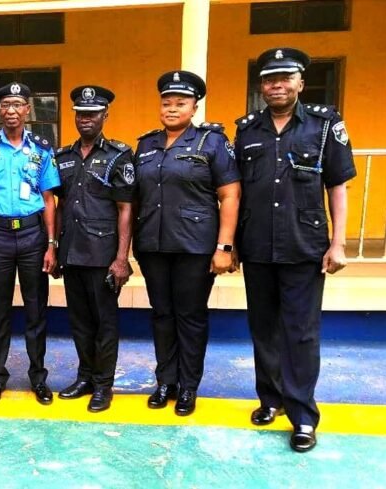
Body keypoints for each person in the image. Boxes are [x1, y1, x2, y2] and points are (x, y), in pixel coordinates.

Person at [235, 48, 355, 452]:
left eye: (285, 77)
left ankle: (303, 415)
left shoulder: (324, 126)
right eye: (270, 79)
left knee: (300, 334)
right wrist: (230, 243)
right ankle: (270, 399)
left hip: (304, 246)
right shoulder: (247, 130)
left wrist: (339, 242)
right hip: (257, 246)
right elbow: (235, 192)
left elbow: (338, 185)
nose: (277, 85)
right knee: (263, 328)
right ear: (261, 86)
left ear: (301, 82)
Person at [134, 71, 241, 416]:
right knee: (162, 315)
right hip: (153, 244)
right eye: (166, 103)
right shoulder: (146, 144)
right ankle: (165, 380)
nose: (171, 109)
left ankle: (188, 386)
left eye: (180, 103)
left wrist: (224, 246)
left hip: (194, 246)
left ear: (194, 106)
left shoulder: (212, 142)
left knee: (190, 317)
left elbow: (230, 194)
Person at [0, 82, 60, 405]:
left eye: (18, 104)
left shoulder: (42, 149)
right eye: (5, 105)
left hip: (33, 235)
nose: (12, 111)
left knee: (36, 309)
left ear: (28, 109)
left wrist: (50, 244)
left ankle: (38, 377)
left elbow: (49, 199)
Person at [53, 85, 134, 413]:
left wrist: (121, 259)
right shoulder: (64, 156)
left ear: (105, 115)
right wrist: (56, 247)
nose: (86, 119)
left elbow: (126, 209)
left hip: (103, 255)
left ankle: (103, 385)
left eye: (93, 114)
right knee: (80, 321)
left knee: (104, 323)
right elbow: (58, 205)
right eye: (81, 114)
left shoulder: (118, 155)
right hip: (72, 252)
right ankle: (85, 376)